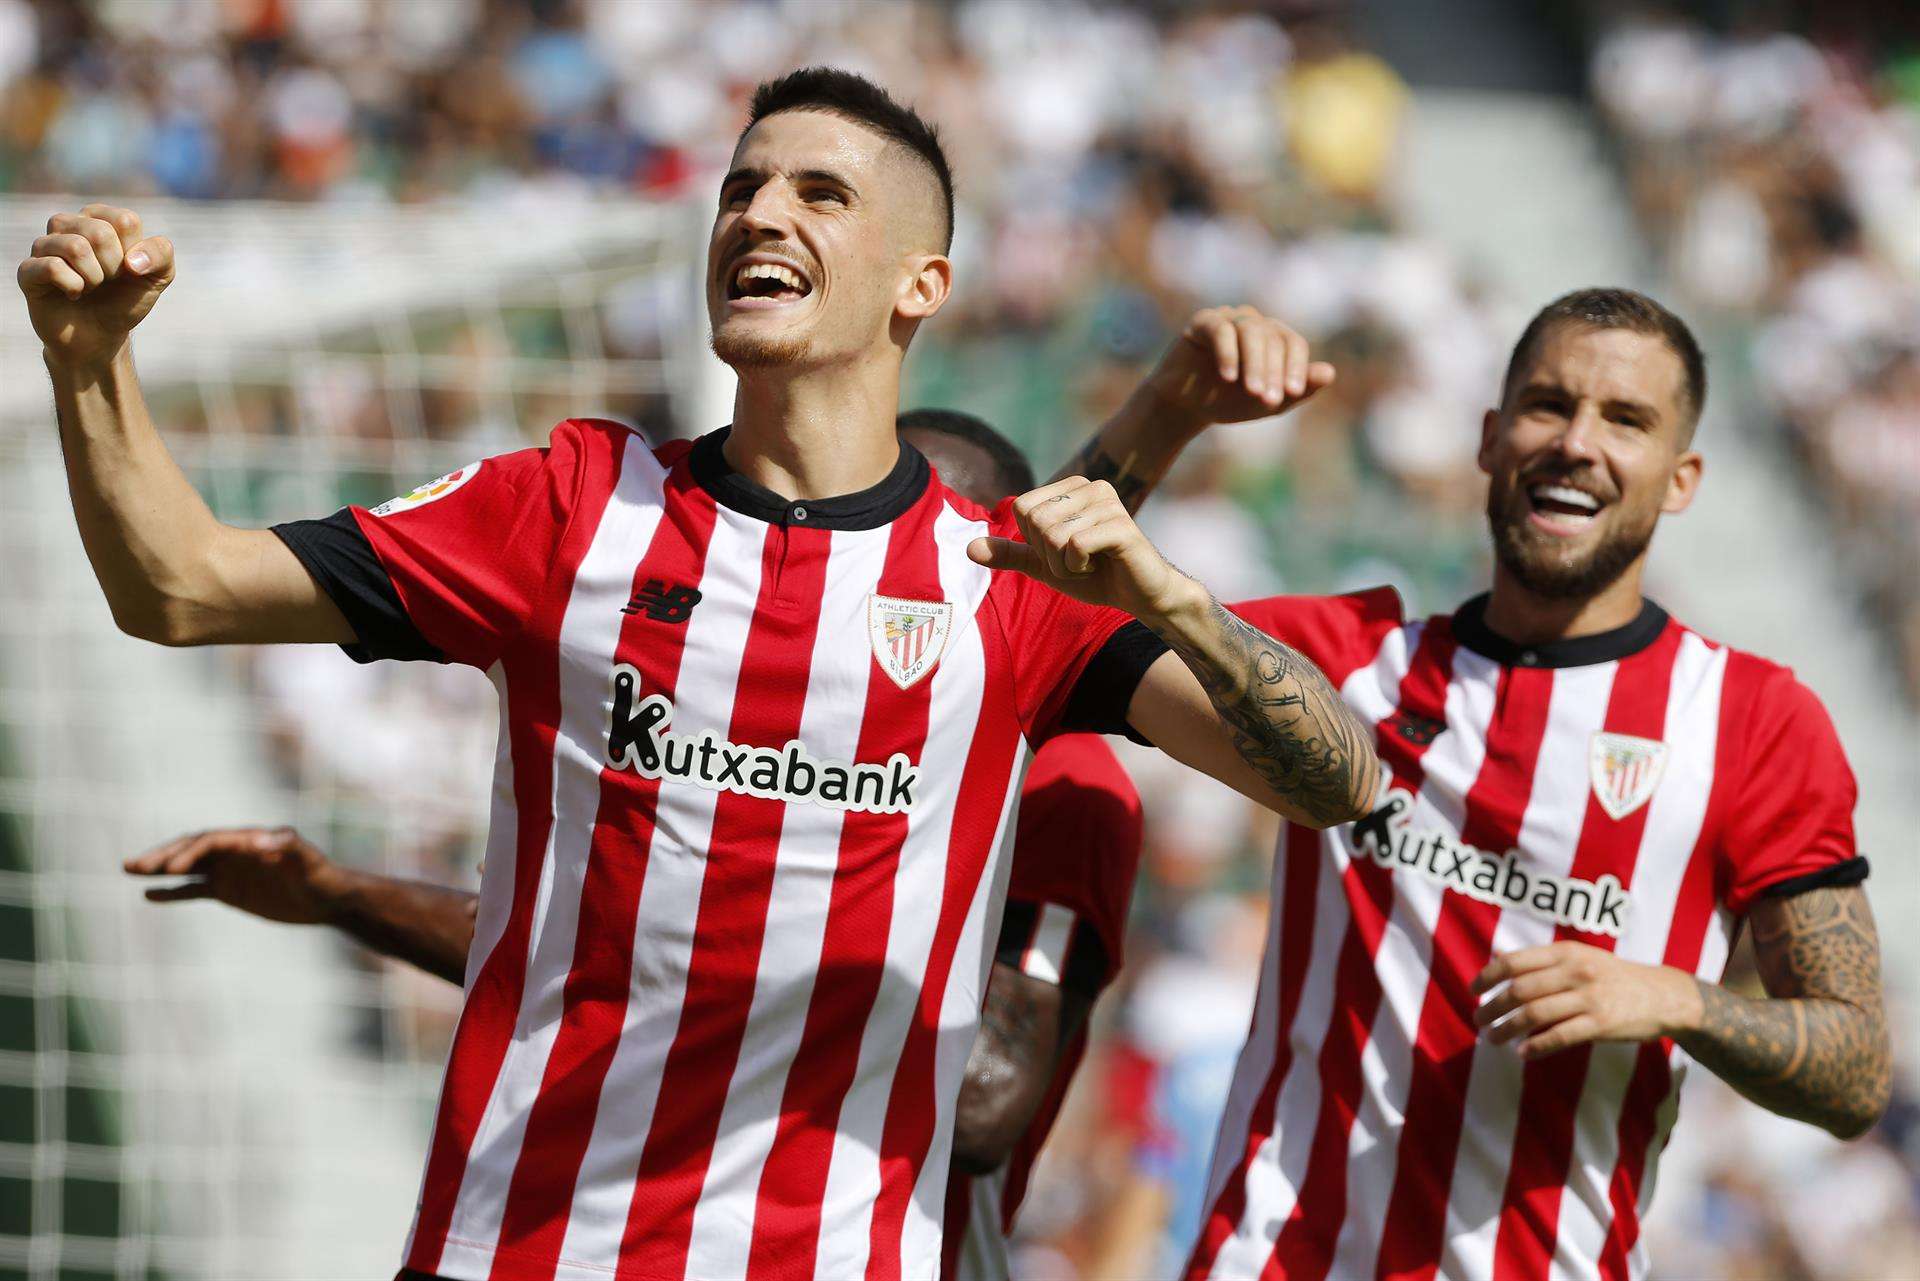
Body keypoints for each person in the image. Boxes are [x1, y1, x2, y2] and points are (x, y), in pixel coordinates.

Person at [20, 65, 1379, 1281]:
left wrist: (1177, 603)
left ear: (921, 284)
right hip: (518, 1249)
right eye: (743, 188)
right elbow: (181, 587)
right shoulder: (569, 505)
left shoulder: (999, 585)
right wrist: (88, 362)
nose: (760, 213)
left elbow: (1339, 782)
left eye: (820, 193)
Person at [122, 409, 1152, 1281]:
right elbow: (630, 964)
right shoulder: (755, 709)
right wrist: (341, 894)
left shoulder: (1066, 787)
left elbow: (985, 1107)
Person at [1058, 289, 1891, 1281]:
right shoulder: (1341, 664)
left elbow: (1855, 1071)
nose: (1576, 442)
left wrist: (1678, 999)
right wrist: (1167, 408)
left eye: (1626, 419)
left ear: (1682, 479)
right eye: (1548, 405)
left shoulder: (1752, 723)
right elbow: (1026, 613)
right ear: (1491, 439)